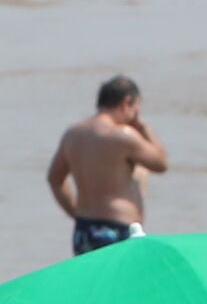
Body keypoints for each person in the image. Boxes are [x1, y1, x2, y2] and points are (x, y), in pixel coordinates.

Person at [46, 77, 166, 253]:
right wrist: (143, 127)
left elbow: (54, 179)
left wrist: (74, 211)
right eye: (136, 109)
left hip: (84, 228)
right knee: (123, 281)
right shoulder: (123, 136)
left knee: (92, 281)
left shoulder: (73, 134)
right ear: (127, 103)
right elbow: (161, 163)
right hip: (117, 229)